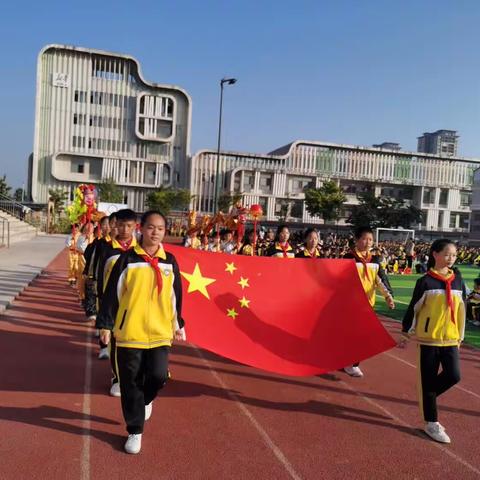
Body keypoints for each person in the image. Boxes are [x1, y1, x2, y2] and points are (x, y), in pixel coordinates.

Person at [96, 210, 185, 455]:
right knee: (130, 381)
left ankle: (146, 400)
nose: (155, 232)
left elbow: (175, 295)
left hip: (159, 331)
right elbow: (112, 295)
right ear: (141, 229)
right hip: (130, 332)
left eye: (160, 228)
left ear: (164, 232)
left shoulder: (170, 261)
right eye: (150, 227)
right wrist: (105, 324)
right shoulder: (126, 260)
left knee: (157, 375)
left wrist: (179, 324)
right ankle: (135, 430)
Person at [400, 239, 465, 444]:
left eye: (454, 255)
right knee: (428, 382)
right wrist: (405, 333)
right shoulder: (425, 281)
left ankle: (426, 397)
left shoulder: (458, 280)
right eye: (447, 254)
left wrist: (460, 336)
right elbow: (414, 308)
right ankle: (431, 422)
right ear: (435, 254)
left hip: (451, 339)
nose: (450, 258)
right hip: (429, 340)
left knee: (453, 376)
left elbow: (461, 310)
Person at [343, 226, 395, 377]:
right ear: (357, 240)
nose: (368, 242)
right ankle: (348, 362)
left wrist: (388, 296)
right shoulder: (349, 258)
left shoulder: (375, 260)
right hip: (351, 305)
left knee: (362, 336)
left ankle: (352, 363)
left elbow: (380, 280)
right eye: (364, 239)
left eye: (371, 239)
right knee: (351, 335)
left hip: (368, 305)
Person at [96, 209, 138, 395]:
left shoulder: (141, 250)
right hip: (114, 304)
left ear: (136, 226)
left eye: (129, 225)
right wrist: (102, 308)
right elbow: (100, 278)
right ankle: (118, 378)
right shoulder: (107, 249)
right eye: (121, 225)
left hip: (137, 304)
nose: (125, 229)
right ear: (115, 225)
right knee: (115, 342)